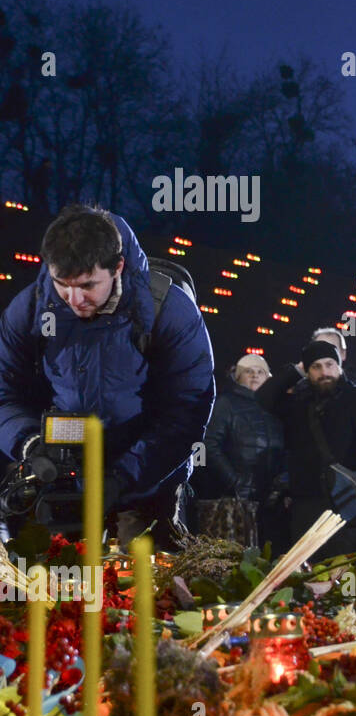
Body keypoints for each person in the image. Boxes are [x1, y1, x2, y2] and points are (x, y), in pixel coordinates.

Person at [0, 205, 215, 548]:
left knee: (144, 581)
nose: (74, 299)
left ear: (118, 267)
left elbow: (188, 409)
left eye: (87, 285)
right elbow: (4, 392)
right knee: (62, 584)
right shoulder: (29, 310)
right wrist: (30, 444)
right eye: (62, 285)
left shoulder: (169, 311)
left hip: (149, 477)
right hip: (62, 479)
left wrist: (124, 477)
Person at [256, 339, 356, 559]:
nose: (324, 372)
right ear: (307, 372)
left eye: (330, 364)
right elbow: (263, 397)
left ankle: (347, 595)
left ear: (339, 366)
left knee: (346, 571)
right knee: (307, 570)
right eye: (316, 367)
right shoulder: (298, 403)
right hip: (306, 501)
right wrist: (297, 369)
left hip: (347, 499)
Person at [197, 353, 284, 543]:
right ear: (238, 376)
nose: (254, 375)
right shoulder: (226, 404)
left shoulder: (277, 407)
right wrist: (235, 482)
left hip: (270, 500)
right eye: (248, 371)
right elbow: (209, 444)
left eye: (260, 372)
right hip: (235, 501)